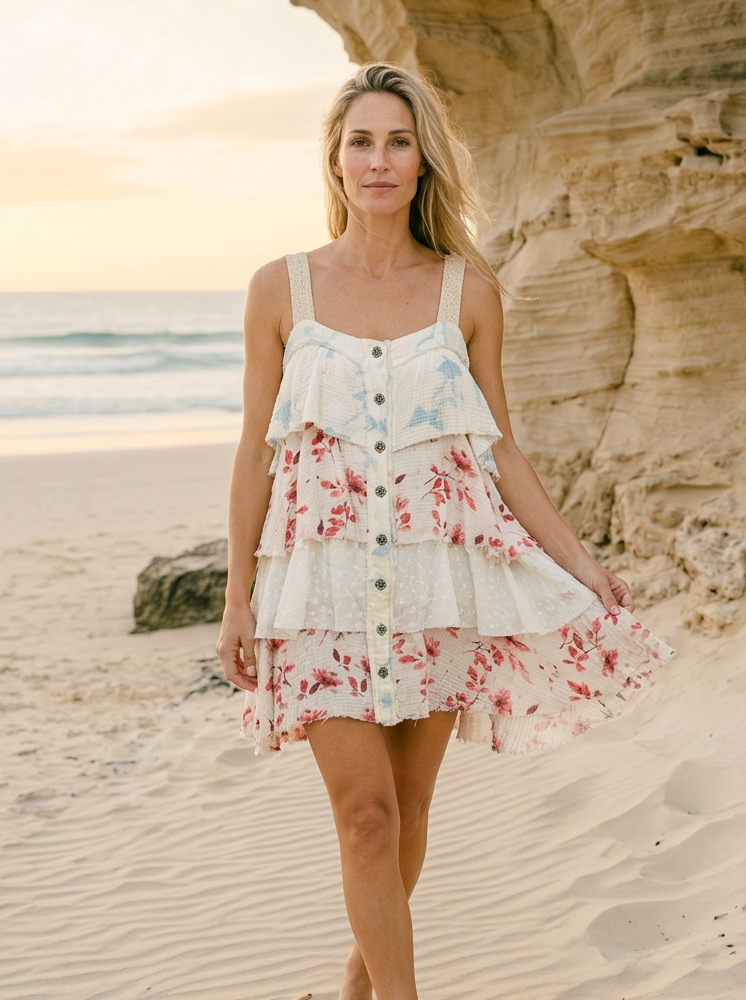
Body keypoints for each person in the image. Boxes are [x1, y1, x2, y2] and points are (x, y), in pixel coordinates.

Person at [216, 62, 675, 1000]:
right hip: (319, 591)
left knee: (410, 809)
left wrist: (579, 562)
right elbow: (255, 453)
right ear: (334, 161)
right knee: (367, 819)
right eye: (360, 141)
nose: (379, 160)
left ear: (422, 160)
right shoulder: (280, 291)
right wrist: (235, 597)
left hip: (437, 583)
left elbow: (499, 448)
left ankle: (358, 987)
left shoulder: (467, 292)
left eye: (398, 140)